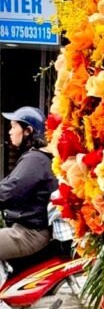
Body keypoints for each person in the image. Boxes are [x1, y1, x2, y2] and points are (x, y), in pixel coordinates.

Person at [0, 107, 57, 262]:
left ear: (28, 131)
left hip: (30, 233)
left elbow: (10, 191)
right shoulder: (36, 157)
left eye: (13, 127)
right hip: (27, 230)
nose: (10, 132)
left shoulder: (35, 160)